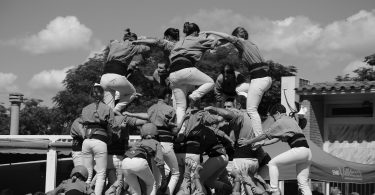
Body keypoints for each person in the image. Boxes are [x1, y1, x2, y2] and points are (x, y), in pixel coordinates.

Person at [204, 27, 272, 145]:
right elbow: (228, 40)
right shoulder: (251, 44)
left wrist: (211, 32)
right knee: (238, 89)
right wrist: (217, 43)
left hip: (259, 80)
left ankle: (259, 138)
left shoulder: (243, 43)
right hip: (265, 79)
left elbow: (228, 37)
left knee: (251, 110)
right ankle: (240, 104)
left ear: (237, 36)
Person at [238, 104, 312, 195]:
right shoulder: (291, 121)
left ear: (278, 113)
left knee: (273, 163)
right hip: (307, 153)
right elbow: (277, 138)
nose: (274, 120)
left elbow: (264, 135)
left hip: (299, 150)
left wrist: (248, 141)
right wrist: (263, 143)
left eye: (274, 117)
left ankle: (274, 191)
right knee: (303, 183)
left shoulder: (280, 121)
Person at [204, 96, 270, 195]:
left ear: (238, 106)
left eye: (230, 106)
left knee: (239, 188)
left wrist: (212, 108)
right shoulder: (254, 117)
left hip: (241, 158)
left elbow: (227, 114)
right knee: (250, 186)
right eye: (225, 107)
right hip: (251, 159)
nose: (226, 109)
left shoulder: (240, 115)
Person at [124, 86, 180, 195]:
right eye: (170, 97)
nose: (171, 99)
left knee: (156, 179)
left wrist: (131, 114)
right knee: (176, 173)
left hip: (153, 145)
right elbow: (175, 131)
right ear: (167, 96)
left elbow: (147, 116)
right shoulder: (170, 109)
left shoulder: (151, 108)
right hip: (166, 144)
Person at [169, 22, 217, 132]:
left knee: (180, 106)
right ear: (195, 32)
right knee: (210, 82)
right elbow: (214, 42)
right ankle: (194, 96)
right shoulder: (197, 39)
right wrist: (207, 35)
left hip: (172, 74)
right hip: (185, 69)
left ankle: (180, 130)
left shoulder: (178, 42)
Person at [100, 28, 151, 115]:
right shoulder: (133, 47)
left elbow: (111, 41)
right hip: (116, 76)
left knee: (108, 109)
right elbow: (147, 48)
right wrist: (142, 40)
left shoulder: (115, 44)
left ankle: (108, 123)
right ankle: (117, 109)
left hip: (104, 78)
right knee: (132, 93)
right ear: (134, 40)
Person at [81, 84, 114, 195]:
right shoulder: (107, 108)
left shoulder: (85, 109)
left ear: (91, 95)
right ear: (103, 95)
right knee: (101, 173)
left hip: (86, 141)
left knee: (87, 173)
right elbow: (111, 127)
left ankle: (86, 193)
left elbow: (82, 126)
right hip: (100, 141)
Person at [105, 115, 148, 195]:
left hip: (109, 159)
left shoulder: (109, 126)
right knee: (120, 185)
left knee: (114, 185)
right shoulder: (125, 127)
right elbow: (144, 121)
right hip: (119, 159)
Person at [122, 123, 167, 195]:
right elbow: (160, 162)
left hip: (125, 162)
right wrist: (164, 177)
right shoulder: (156, 143)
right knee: (151, 184)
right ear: (155, 133)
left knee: (136, 191)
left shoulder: (136, 141)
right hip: (139, 161)